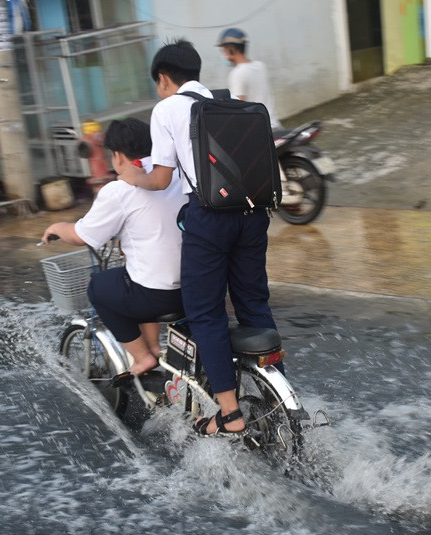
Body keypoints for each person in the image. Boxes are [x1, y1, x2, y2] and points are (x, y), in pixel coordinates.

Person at [120, 39, 277, 437]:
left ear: (163, 78)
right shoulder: (224, 102)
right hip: (254, 215)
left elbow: (160, 178)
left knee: (205, 311)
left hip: (210, 219)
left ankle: (229, 414)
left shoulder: (167, 108)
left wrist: (130, 177)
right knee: (253, 303)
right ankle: (274, 398)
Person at [41, 118, 187, 378]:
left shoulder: (119, 191)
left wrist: (58, 227)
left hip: (158, 295)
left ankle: (142, 357)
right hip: (195, 287)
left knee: (100, 286)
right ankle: (153, 348)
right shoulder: (176, 174)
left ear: (118, 155)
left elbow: (81, 235)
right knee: (134, 275)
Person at [216, 28, 281, 129]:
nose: (223, 55)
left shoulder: (237, 74)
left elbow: (238, 109)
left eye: (223, 50)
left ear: (231, 49)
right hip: (275, 126)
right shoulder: (261, 66)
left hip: (260, 131)